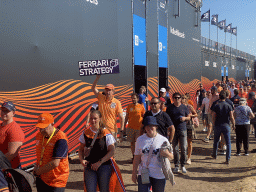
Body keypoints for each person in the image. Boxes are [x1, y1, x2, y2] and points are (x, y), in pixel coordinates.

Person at [132, 116, 173, 192]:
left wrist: (166, 153)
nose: (149, 128)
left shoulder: (163, 140)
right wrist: (134, 173)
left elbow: (172, 156)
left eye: (151, 126)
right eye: (147, 126)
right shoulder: (140, 140)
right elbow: (136, 158)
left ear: (156, 126)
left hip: (159, 174)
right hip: (144, 172)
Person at [78, 110, 116, 192]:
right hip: (90, 166)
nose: (93, 121)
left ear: (100, 119)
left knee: (104, 190)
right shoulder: (85, 133)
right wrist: (81, 160)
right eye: (91, 118)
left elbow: (112, 151)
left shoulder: (106, 133)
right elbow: (80, 150)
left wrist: (99, 162)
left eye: (95, 118)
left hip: (104, 166)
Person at [34, 113, 69, 192]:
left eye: (44, 127)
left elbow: (55, 163)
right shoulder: (39, 136)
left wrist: (38, 171)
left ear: (52, 124)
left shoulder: (60, 138)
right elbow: (40, 155)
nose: (42, 130)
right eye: (40, 127)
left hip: (56, 180)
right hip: (42, 178)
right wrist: (36, 166)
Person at [0, 101, 25, 192]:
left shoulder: (14, 130)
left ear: (13, 113)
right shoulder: (1, 126)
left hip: (10, 170)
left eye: (7, 111)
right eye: (2, 110)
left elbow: (12, 154)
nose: (4, 113)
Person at [91, 75, 124, 140]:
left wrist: (121, 131)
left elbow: (121, 118)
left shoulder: (117, 102)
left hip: (111, 130)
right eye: (106, 90)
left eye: (110, 90)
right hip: (101, 128)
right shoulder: (101, 97)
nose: (108, 92)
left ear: (113, 91)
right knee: (101, 148)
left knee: (111, 148)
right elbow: (93, 88)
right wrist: (97, 78)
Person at [166, 92, 190, 173]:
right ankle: (176, 165)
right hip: (173, 131)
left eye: (179, 97)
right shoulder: (169, 108)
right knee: (175, 149)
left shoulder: (184, 107)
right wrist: (168, 130)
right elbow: (167, 119)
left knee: (183, 148)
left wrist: (185, 118)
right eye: (175, 98)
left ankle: (182, 165)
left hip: (182, 129)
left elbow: (189, 117)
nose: (177, 99)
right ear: (173, 98)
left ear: (181, 98)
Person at [211, 90, 235, 164]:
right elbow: (231, 116)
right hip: (226, 125)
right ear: (226, 97)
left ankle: (214, 155)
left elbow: (213, 116)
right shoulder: (228, 105)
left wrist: (214, 123)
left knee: (216, 141)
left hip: (218, 125)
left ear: (220, 97)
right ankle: (228, 158)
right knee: (228, 143)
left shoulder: (216, 105)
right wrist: (233, 124)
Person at [124, 93, 145, 160]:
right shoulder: (129, 106)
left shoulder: (141, 106)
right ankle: (134, 157)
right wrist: (124, 125)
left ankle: (138, 156)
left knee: (137, 143)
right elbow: (127, 117)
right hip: (130, 127)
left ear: (137, 99)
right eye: (132, 98)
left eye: (135, 98)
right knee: (132, 143)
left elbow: (144, 116)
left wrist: (144, 126)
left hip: (139, 128)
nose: (133, 99)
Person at [181, 95, 197, 165]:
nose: (183, 99)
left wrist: (191, 116)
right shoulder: (179, 107)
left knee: (189, 142)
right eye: (182, 98)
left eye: (184, 98)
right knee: (181, 142)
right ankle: (183, 157)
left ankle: (189, 158)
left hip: (189, 125)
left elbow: (196, 114)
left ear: (187, 99)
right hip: (181, 125)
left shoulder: (189, 107)